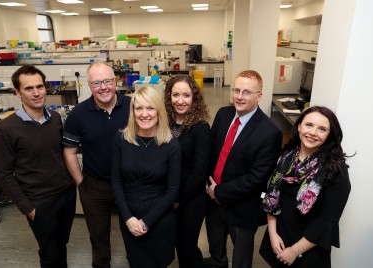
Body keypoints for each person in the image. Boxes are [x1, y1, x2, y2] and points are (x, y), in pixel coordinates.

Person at [0, 64, 76, 268]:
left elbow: (59, 155)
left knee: (62, 244)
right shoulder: (7, 129)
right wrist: (28, 208)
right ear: (17, 92)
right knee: (49, 252)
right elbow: (3, 174)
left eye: (40, 86)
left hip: (65, 195)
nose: (36, 93)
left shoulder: (56, 119)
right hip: (39, 202)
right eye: (29, 88)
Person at [205, 70, 283, 268]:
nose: (240, 97)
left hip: (242, 208)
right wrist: (209, 186)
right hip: (213, 201)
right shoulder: (223, 114)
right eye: (237, 90)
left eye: (247, 92)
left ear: (259, 96)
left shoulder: (270, 133)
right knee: (216, 250)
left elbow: (256, 178)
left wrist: (219, 192)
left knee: (241, 259)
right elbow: (212, 152)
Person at [259, 106, 351, 267]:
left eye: (322, 129)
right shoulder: (286, 156)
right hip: (279, 241)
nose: (313, 132)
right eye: (309, 125)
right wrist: (273, 235)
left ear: (329, 135)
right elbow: (272, 197)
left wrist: (295, 251)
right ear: (299, 126)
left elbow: (326, 222)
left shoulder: (336, 170)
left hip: (308, 250)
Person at [62, 62, 130, 268]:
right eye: (97, 83)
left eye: (108, 81)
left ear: (115, 82)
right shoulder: (78, 114)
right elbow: (69, 151)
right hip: (95, 185)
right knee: (99, 236)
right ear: (89, 86)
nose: (103, 87)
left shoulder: (133, 106)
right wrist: (81, 183)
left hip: (130, 184)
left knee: (135, 233)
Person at [111, 86, 181, 268]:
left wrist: (146, 221)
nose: (144, 114)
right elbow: (116, 181)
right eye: (139, 108)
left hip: (159, 221)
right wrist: (128, 218)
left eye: (150, 108)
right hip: (130, 220)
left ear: (159, 111)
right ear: (132, 112)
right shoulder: (121, 139)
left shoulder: (171, 145)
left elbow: (172, 190)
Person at [164, 75, 211, 268]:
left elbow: (199, 172)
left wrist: (176, 199)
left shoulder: (200, 127)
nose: (180, 101)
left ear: (194, 98)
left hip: (190, 199)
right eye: (176, 95)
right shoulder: (164, 122)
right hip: (168, 197)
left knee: (186, 245)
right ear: (169, 96)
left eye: (186, 95)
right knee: (174, 242)